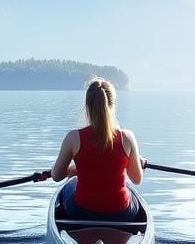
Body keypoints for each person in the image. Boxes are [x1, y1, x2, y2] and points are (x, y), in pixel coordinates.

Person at [51, 78, 145, 222]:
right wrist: (133, 161)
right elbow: (137, 179)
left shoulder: (73, 138)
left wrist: (75, 169)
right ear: (112, 105)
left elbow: (56, 176)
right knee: (132, 191)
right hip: (121, 213)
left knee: (67, 188)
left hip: (82, 211)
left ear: (87, 106)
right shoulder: (127, 137)